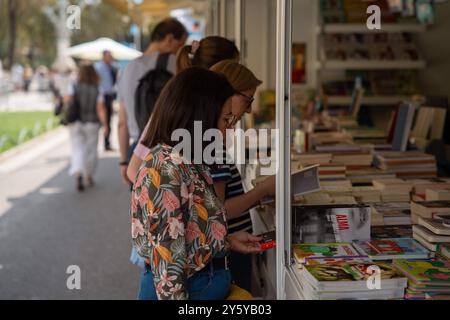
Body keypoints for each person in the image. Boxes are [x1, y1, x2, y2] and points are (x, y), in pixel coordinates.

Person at [128, 61, 276, 292]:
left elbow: (186, 231)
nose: (228, 130)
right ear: (200, 116)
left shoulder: (187, 160)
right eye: (226, 119)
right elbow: (169, 273)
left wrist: (223, 242)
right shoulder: (166, 169)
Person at [117, 18, 188, 187]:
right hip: (171, 147)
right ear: (170, 39)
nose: (180, 52)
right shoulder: (175, 64)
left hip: (137, 150)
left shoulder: (126, 70)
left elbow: (122, 123)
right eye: (181, 46)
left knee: (142, 208)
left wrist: (123, 160)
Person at [67, 64, 108, 191]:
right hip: (92, 123)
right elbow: (100, 108)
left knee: (77, 148)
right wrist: (106, 125)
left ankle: (78, 171)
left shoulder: (73, 86)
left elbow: (67, 101)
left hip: (75, 122)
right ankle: (88, 175)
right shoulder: (97, 88)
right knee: (91, 150)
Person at [95, 50, 118, 151]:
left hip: (109, 96)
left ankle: (107, 143)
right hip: (101, 95)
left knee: (108, 120)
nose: (110, 58)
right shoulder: (98, 67)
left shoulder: (112, 67)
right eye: (109, 56)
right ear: (104, 56)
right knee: (101, 120)